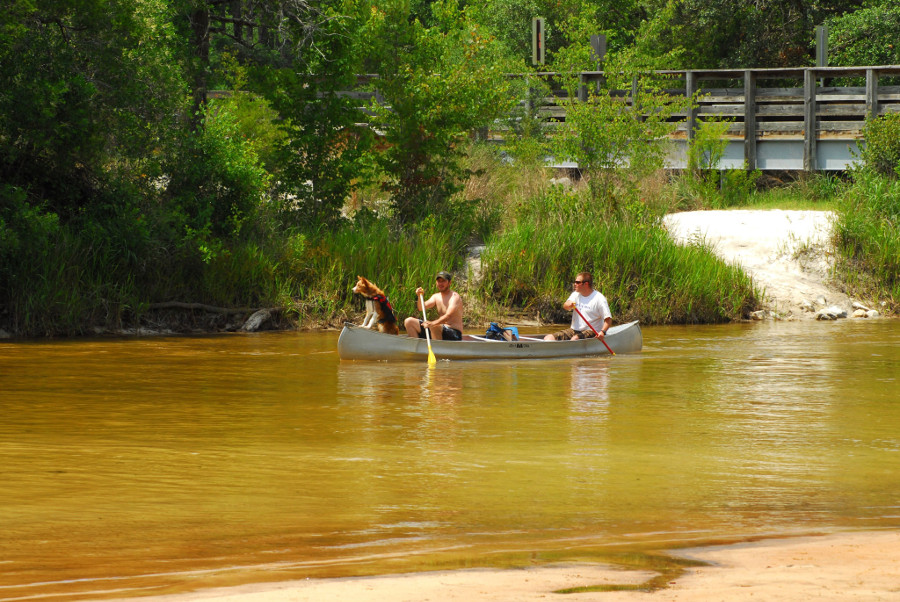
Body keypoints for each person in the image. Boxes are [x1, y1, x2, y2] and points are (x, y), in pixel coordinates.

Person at [544, 271, 612, 341]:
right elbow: (565, 306)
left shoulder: (599, 298)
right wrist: (569, 305)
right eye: (575, 282)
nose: (575, 284)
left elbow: (608, 319)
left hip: (593, 331)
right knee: (549, 338)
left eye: (577, 282)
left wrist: (602, 332)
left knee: (575, 339)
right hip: (574, 330)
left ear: (586, 284)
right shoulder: (575, 294)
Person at [404, 271, 464, 341]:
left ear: (449, 283)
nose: (440, 284)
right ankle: (416, 348)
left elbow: (448, 316)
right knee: (409, 321)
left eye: (443, 281)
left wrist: (432, 323)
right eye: (439, 281)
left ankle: (437, 350)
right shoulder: (436, 296)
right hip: (438, 330)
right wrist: (420, 296)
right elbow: (421, 308)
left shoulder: (454, 297)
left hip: (454, 333)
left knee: (435, 326)